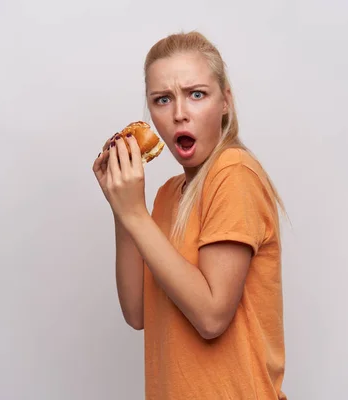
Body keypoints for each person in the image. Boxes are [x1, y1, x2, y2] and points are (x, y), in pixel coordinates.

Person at [93, 30, 287, 400]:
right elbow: (138, 314)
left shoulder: (234, 173)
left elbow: (212, 317)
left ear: (225, 101)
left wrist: (135, 213)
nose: (179, 113)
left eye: (196, 94)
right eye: (162, 99)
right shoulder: (167, 195)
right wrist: (122, 208)